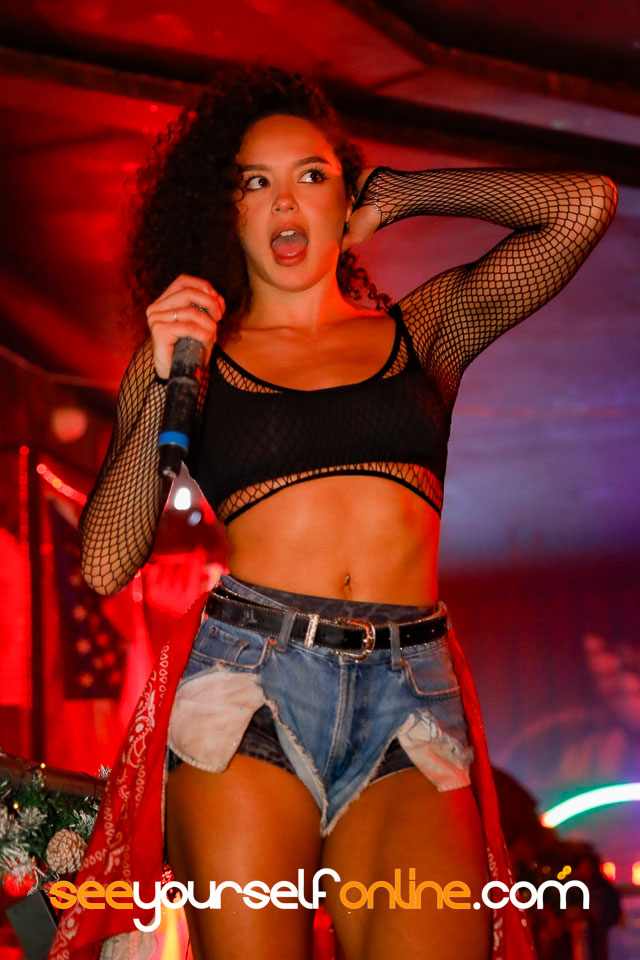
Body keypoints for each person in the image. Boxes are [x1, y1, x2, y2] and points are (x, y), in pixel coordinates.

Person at [69, 64, 617, 960]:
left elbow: (583, 204)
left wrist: (405, 194)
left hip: (411, 697)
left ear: (345, 200)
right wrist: (161, 375)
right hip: (249, 689)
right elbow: (103, 563)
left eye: (312, 175)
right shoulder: (194, 359)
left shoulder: (424, 331)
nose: (285, 200)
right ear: (226, 209)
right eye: (256, 181)